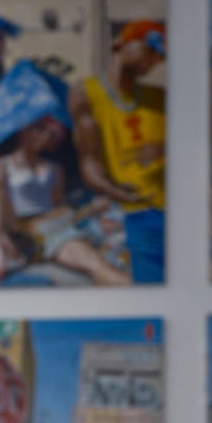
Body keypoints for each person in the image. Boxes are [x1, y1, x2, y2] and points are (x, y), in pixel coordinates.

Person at [0, 114, 129, 285]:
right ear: (24, 132)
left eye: (50, 133)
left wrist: (89, 209)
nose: (45, 136)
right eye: (39, 129)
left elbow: (59, 206)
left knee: (96, 264)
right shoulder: (4, 163)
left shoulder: (55, 169)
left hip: (49, 227)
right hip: (16, 225)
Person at [70, 18, 167, 283]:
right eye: (151, 42)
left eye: (162, 53)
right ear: (120, 44)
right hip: (136, 210)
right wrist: (114, 191)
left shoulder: (159, 98)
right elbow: (88, 161)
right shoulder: (85, 93)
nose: (156, 56)